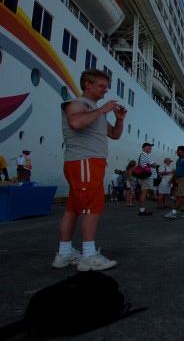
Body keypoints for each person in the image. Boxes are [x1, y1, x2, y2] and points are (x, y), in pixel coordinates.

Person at [52, 69, 126, 271]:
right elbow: (75, 122)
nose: (106, 90)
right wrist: (102, 110)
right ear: (88, 85)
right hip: (85, 161)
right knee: (93, 208)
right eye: (102, 86)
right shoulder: (78, 104)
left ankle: (64, 253)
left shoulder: (93, 110)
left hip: (86, 162)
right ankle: (89, 255)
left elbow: (114, 135)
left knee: (73, 208)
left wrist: (119, 118)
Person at [164, 146, 184, 219]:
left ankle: (174, 212)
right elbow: (177, 170)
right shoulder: (179, 160)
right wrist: (174, 178)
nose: (177, 152)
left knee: (179, 195)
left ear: (182, 151)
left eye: (178, 151)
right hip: (181, 178)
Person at [137, 142, 159, 216]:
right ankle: (142, 210)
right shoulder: (145, 155)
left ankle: (142, 209)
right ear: (145, 148)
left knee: (144, 192)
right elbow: (154, 164)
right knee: (144, 193)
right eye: (149, 147)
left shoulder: (142, 155)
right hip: (147, 177)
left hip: (145, 177)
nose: (151, 148)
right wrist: (155, 165)